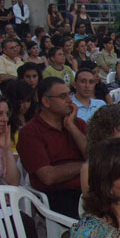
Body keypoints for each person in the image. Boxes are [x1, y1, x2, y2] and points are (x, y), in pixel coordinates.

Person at [17, 77, 87, 219]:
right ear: (46, 101)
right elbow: (48, 176)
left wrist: (72, 128)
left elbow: (93, 156)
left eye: (69, 94)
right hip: (56, 196)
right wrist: (85, 166)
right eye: (63, 96)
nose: (70, 100)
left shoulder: (77, 124)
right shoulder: (30, 132)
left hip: (87, 188)